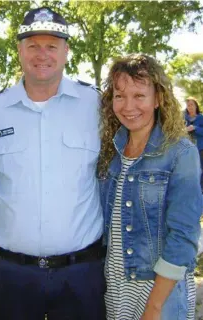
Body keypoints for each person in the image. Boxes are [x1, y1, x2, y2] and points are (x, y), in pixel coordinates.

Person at [0, 7, 106, 320]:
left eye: (51, 46)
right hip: (13, 276)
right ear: (19, 50)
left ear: (66, 51)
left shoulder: (97, 106)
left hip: (82, 273)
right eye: (33, 45)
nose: (42, 54)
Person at [97, 53, 202, 320]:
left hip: (159, 293)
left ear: (157, 98)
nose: (128, 105)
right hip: (116, 288)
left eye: (139, 96)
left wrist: (154, 307)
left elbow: (184, 235)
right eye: (119, 96)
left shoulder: (180, 153)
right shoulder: (111, 153)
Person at [184, 96, 203, 192]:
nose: (190, 107)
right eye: (188, 105)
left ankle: (200, 190)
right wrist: (184, 130)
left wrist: (195, 128)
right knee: (189, 169)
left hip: (200, 149)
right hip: (187, 148)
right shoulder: (183, 118)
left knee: (200, 169)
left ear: (196, 106)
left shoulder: (201, 118)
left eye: (192, 105)